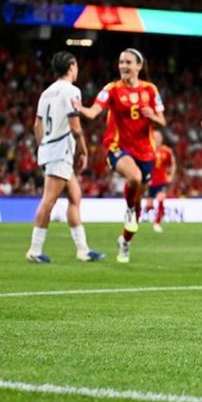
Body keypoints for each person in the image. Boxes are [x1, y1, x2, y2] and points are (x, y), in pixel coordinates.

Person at [74, 48, 165, 262]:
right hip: (117, 146)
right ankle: (130, 209)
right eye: (121, 61)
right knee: (135, 178)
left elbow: (162, 121)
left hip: (145, 151)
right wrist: (79, 108)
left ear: (139, 66)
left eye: (128, 62)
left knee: (137, 206)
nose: (124, 66)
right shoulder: (112, 89)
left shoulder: (150, 90)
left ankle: (125, 242)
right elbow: (94, 112)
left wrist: (153, 115)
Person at [27, 51, 104, 263]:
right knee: (49, 200)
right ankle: (34, 250)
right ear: (71, 66)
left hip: (51, 149)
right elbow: (74, 123)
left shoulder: (47, 92)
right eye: (76, 66)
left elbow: (37, 126)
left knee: (75, 196)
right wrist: (84, 149)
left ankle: (83, 249)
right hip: (60, 151)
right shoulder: (71, 90)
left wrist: (44, 145)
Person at [144, 130, 176, 232]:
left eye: (159, 137)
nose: (157, 139)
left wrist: (171, 176)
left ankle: (157, 223)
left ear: (162, 139)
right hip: (150, 182)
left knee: (161, 199)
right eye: (155, 137)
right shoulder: (147, 150)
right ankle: (150, 216)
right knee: (149, 205)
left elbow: (173, 164)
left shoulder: (166, 151)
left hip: (161, 181)